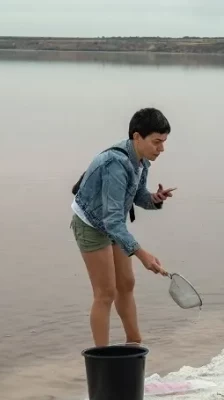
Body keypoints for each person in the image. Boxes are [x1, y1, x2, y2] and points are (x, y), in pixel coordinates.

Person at [70, 108, 175, 347]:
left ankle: (134, 342)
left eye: (164, 142)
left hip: (111, 222)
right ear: (137, 137)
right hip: (91, 224)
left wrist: (154, 199)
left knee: (126, 284)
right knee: (105, 293)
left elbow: (136, 195)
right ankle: (102, 357)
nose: (161, 148)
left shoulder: (141, 160)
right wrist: (141, 253)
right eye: (156, 142)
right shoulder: (115, 165)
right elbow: (112, 221)